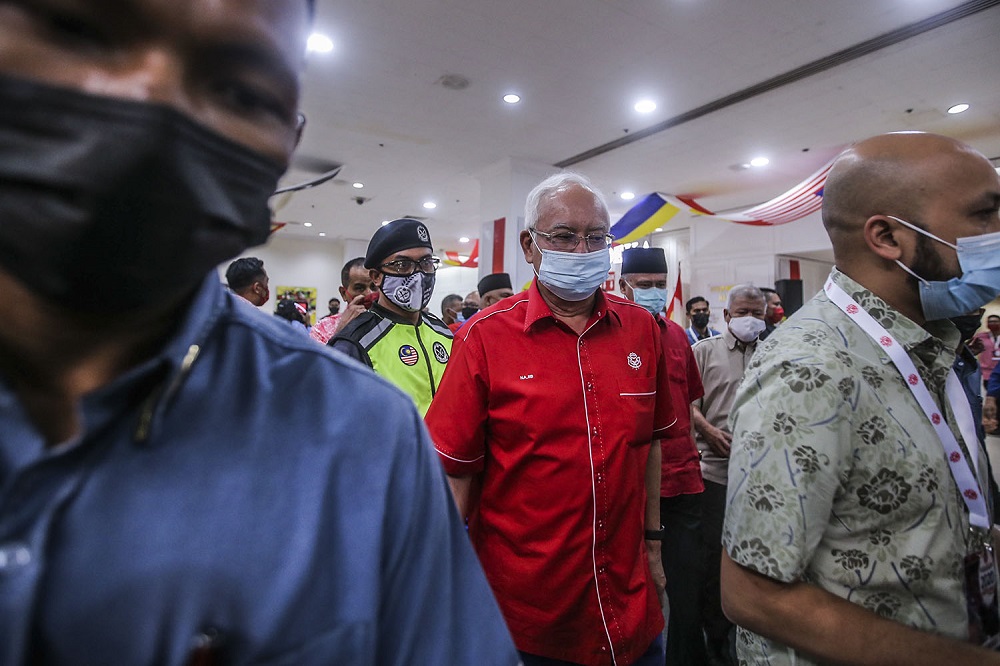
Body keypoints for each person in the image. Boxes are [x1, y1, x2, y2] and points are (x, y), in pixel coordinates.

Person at [0, 2, 520, 663]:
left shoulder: (363, 437)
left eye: (242, 91)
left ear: (286, 142)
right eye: (80, 30)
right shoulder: (352, 354)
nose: (152, 100)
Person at [721, 132, 1000, 665]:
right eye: (984, 215)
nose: (997, 231)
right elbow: (753, 594)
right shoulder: (812, 369)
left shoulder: (930, 343)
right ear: (888, 236)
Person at [426, 172, 676, 666]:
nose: (582, 250)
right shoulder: (482, 340)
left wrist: (653, 545)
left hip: (631, 606)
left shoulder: (643, 331)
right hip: (528, 618)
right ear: (530, 245)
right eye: (564, 236)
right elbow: (455, 474)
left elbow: (648, 447)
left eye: (596, 237)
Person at [620, 247, 708, 666]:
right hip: (634, 487)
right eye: (645, 286)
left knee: (686, 591)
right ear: (623, 286)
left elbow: (689, 400)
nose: (654, 293)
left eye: (660, 285)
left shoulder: (676, 336)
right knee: (639, 591)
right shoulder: (613, 335)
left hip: (685, 481)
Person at [691, 284, 767, 666]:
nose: (749, 319)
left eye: (756, 312)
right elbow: (685, 403)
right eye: (742, 312)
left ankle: (749, 631)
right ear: (727, 315)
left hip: (760, 477)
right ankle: (715, 639)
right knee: (711, 560)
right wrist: (706, 430)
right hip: (714, 474)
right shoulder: (705, 353)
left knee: (753, 558)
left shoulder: (774, 353)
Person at [330, 218, 453, 416]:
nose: (418, 274)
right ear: (376, 277)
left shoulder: (443, 332)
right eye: (403, 265)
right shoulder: (355, 342)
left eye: (426, 262)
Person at [309, 256, 376, 344]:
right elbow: (318, 357)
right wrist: (341, 333)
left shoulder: (391, 324)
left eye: (373, 287)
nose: (369, 293)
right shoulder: (323, 329)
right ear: (344, 293)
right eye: (359, 288)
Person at [972, 314, 1000, 386]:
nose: (992, 324)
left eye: (995, 321)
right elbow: (971, 349)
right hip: (986, 373)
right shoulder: (980, 336)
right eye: (990, 322)